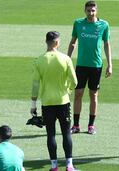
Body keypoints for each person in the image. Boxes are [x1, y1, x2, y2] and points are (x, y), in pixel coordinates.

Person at [31, 31, 79, 171]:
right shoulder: (65, 59)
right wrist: (68, 91)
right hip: (63, 101)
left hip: (47, 103)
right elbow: (75, 82)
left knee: (50, 134)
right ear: (57, 42)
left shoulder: (39, 60)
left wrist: (33, 105)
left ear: (46, 42)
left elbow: (35, 85)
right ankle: (69, 165)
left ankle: (54, 166)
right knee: (66, 133)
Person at [67, 0, 112, 135]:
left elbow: (107, 44)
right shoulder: (78, 23)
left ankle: (91, 125)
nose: (91, 13)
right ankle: (75, 125)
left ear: (96, 11)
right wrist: (67, 59)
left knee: (93, 95)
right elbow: (73, 42)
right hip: (81, 65)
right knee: (78, 94)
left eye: (93, 10)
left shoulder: (104, 25)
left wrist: (110, 64)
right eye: (88, 11)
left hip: (96, 66)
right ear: (84, 11)